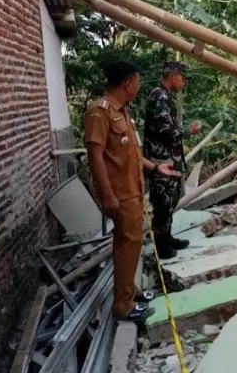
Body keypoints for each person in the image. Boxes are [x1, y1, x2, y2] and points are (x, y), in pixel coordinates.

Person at [84, 60, 181, 321]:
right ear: (127, 84)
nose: (139, 87)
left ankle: (130, 291)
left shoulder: (123, 112)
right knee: (127, 246)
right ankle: (123, 306)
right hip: (120, 194)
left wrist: (155, 167)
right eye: (137, 83)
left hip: (134, 189)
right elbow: (95, 157)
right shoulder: (99, 113)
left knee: (133, 244)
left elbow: (133, 154)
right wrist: (107, 195)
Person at [144, 61, 202, 259]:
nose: (184, 81)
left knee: (170, 201)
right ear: (172, 75)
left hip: (170, 159)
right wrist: (189, 131)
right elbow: (165, 131)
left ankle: (167, 238)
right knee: (162, 202)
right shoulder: (158, 97)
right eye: (182, 77)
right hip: (161, 161)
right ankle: (161, 246)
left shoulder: (164, 97)